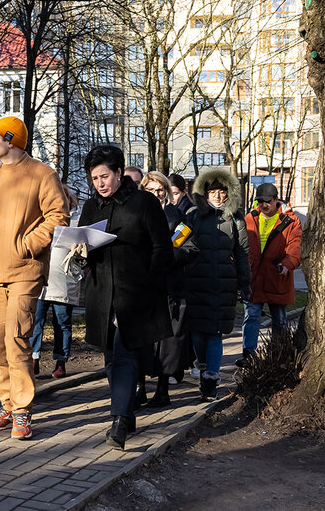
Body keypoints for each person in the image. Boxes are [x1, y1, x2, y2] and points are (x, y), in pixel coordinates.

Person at [0, 116, 70, 440]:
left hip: (25, 271)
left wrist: (27, 244)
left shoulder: (42, 174)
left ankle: (23, 411)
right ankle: (8, 404)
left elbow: (59, 216)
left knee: (16, 337)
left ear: (10, 140)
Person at [78, 145, 173, 449]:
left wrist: (152, 283)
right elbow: (82, 245)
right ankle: (127, 411)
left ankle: (118, 421)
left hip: (135, 293)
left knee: (124, 355)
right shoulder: (91, 207)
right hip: (101, 294)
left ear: (119, 173)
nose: (100, 183)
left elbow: (162, 247)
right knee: (110, 358)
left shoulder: (144, 203)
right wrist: (79, 253)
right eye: (94, 179)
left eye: (104, 176)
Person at [184, 167, 250, 402]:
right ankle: (202, 368)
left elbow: (242, 251)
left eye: (223, 192)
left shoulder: (235, 218)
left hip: (223, 285)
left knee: (214, 334)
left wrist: (245, 283)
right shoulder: (192, 215)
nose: (218, 196)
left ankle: (210, 379)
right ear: (205, 193)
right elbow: (179, 244)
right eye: (213, 192)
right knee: (198, 335)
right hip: (196, 283)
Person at [136, 171, 197, 408]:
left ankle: (162, 389)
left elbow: (191, 249)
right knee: (140, 340)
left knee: (168, 342)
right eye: (151, 190)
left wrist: (168, 255)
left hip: (170, 289)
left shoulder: (178, 217)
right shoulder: (135, 216)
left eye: (160, 190)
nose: (156, 194)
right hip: (141, 289)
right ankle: (139, 388)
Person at [237, 183, 302, 366]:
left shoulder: (290, 221)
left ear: (275, 200)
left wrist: (287, 264)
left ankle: (277, 355)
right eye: (260, 201)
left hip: (277, 276)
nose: (263, 205)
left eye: (267, 202)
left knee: (280, 320)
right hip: (254, 277)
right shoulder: (250, 218)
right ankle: (248, 356)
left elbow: (295, 246)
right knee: (251, 317)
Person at [30, 185, 80, 379]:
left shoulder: (76, 223)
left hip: (64, 281)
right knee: (35, 320)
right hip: (41, 279)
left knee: (62, 323)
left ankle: (61, 362)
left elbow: (84, 254)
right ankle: (33, 358)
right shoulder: (41, 221)